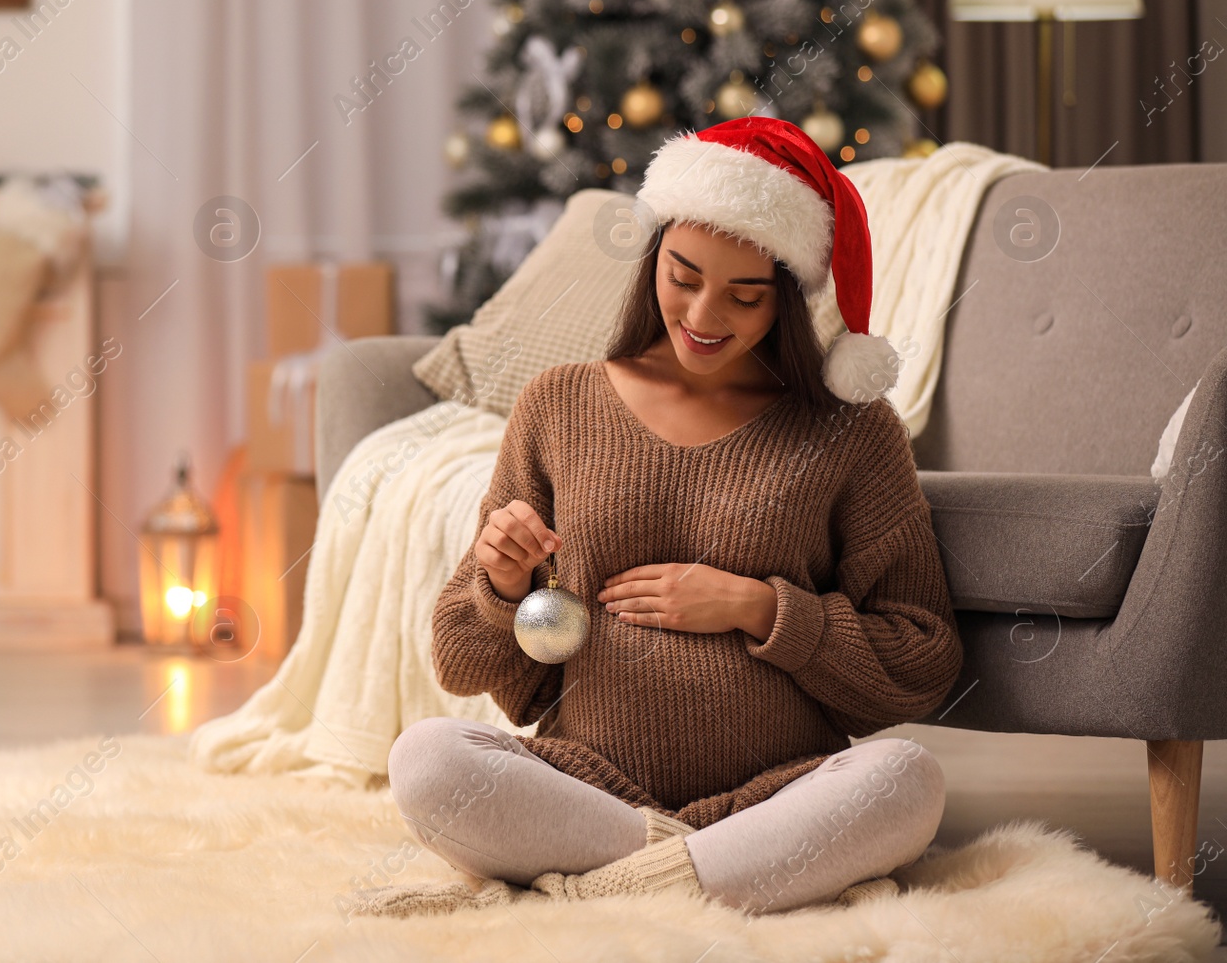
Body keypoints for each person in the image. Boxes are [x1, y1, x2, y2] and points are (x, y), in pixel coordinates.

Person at [381, 117, 964, 916]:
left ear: (787, 297)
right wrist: (503, 582)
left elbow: (924, 657)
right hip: (588, 785)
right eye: (682, 275)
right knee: (426, 758)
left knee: (907, 780)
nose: (702, 312)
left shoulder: (852, 431)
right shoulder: (557, 404)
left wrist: (757, 606)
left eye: (744, 295)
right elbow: (459, 660)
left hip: (779, 792)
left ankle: (612, 881)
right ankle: (707, 875)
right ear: (653, 255)